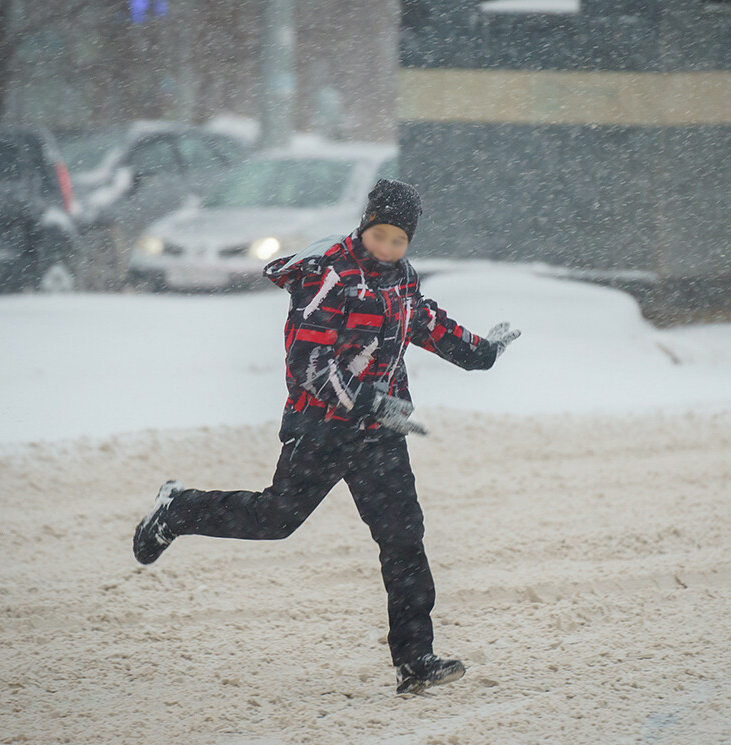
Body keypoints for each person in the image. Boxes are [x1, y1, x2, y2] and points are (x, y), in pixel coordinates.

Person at [132, 179, 521, 695]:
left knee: (404, 540)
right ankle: (178, 509)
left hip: (379, 437)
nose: (387, 247)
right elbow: (309, 362)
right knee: (275, 519)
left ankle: (415, 657)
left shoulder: (401, 278)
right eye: (380, 235)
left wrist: (480, 352)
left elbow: (420, 320)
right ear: (365, 226)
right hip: (322, 429)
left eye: (398, 240)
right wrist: (369, 401)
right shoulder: (330, 277)